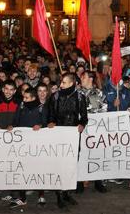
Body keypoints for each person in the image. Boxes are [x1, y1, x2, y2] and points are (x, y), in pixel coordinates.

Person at [47, 72, 88, 209]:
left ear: (71, 83)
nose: (60, 85)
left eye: (64, 82)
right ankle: (59, 194)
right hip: (58, 135)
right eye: (61, 82)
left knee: (71, 164)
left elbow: (84, 117)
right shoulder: (55, 96)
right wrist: (51, 122)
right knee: (59, 164)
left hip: (73, 136)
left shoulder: (80, 98)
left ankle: (66, 192)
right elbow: (50, 114)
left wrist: (82, 124)